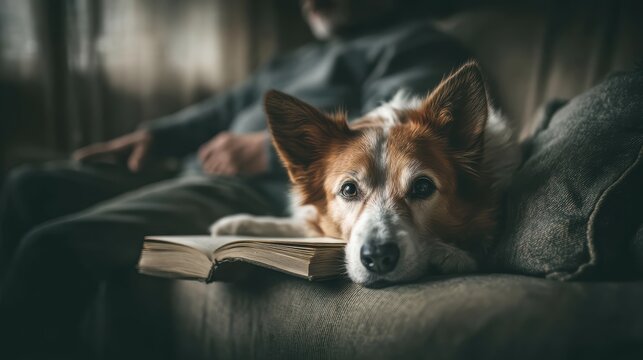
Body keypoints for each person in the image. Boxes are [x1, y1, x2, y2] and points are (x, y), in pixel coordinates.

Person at [0, 0, 468, 357]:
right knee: (26, 185)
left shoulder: (415, 43)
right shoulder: (293, 59)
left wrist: (262, 149)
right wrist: (154, 137)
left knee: (49, 248)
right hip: (184, 168)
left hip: (246, 186)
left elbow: (390, 138)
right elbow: (223, 108)